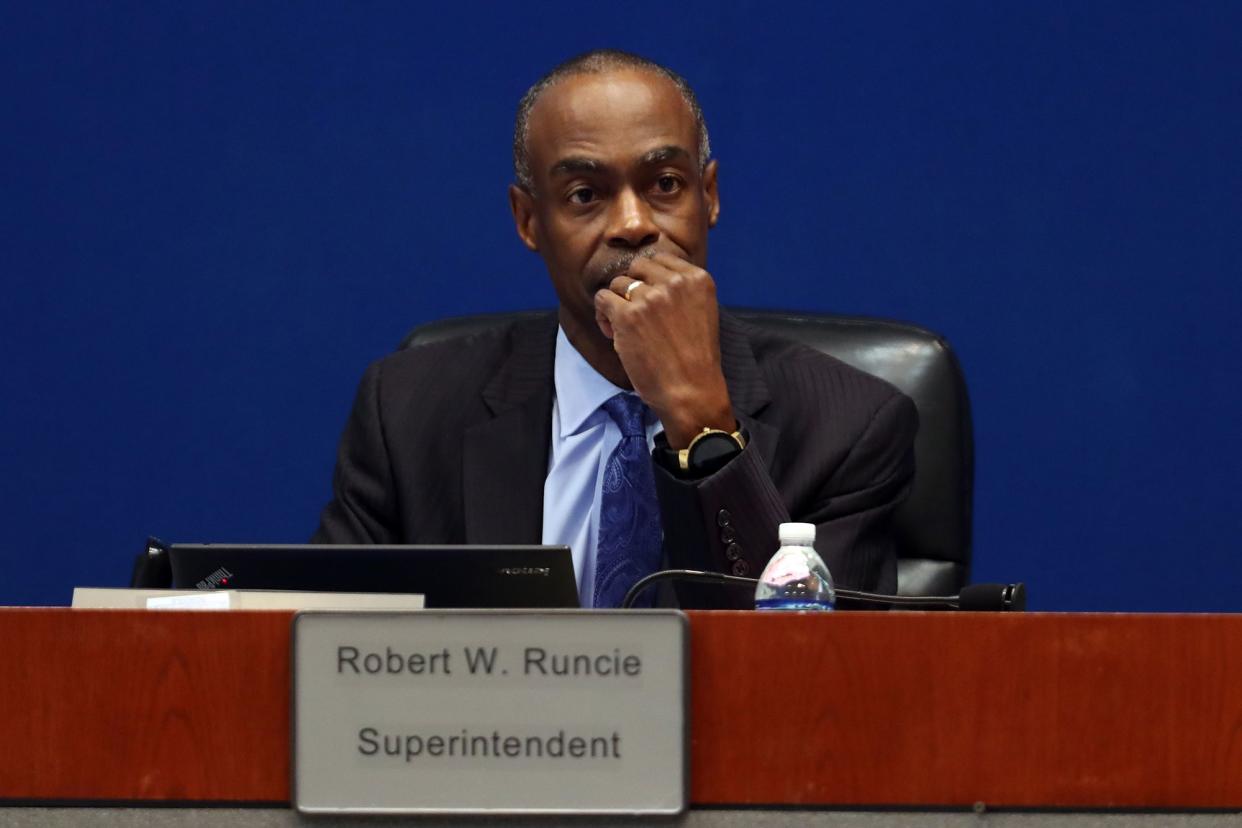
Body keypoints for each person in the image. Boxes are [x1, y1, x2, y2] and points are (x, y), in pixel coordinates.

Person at [313, 49, 917, 609]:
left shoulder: (848, 426)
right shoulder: (409, 410)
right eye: (585, 194)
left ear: (708, 197)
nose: (632, 224)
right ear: (529, 221)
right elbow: (325, 645)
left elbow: (820, 676)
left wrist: (701, 422)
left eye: (665, 186)